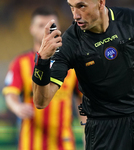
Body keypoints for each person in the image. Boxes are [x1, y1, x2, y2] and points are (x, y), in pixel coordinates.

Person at [32, 0, 134, 150]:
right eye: (71, 7)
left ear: (101, 2)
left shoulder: (131, 20)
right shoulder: (69, 43)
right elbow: (41, 101)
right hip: (103, 131)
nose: (75, 15)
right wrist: (42, 61)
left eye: (81, 6)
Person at [2, 6, 83, 150]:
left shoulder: (71, 64)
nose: (46, 31)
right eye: (40, 26)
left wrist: (85, 128)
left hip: (64, 143)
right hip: (31, 143)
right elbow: (10, 93)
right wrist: (17, 107)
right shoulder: (21, 63)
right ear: (32, 28)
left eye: (52, 26)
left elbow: (81, 98)